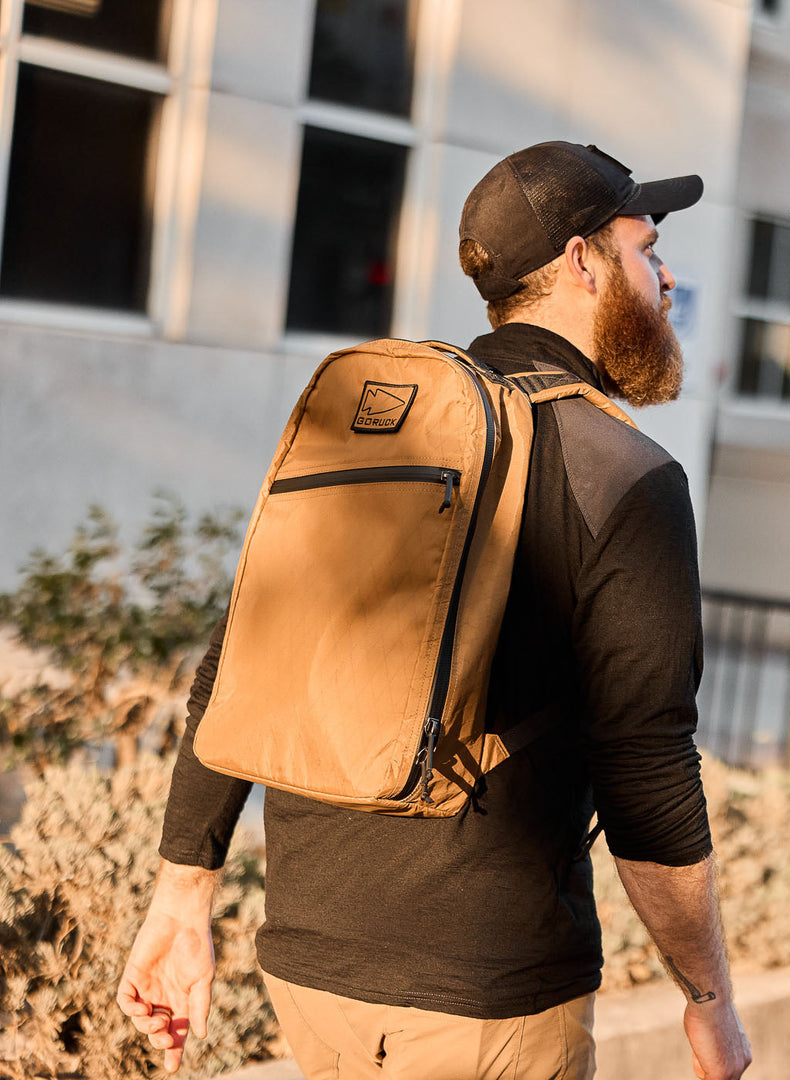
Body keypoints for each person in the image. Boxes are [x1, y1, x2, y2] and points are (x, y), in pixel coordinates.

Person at [117, 140, 752, 1080]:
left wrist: (181, 901)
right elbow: (647, 769)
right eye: (645, 248)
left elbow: (240, 661)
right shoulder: (625, 475)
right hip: (485, 1002)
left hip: (308, 970)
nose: (661, 277)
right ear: (583, 261)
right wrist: (710, 999)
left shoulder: (382, 434)